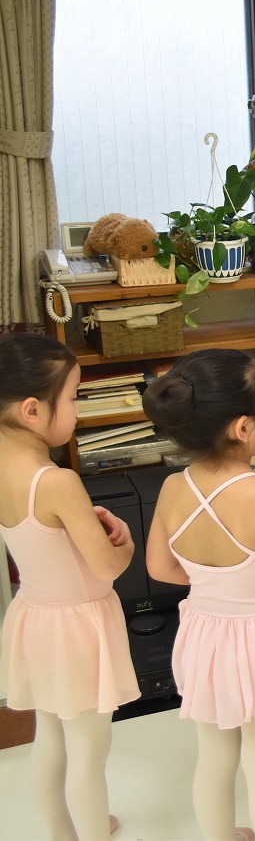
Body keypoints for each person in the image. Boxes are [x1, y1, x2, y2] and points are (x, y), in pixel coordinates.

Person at [143, 349, 255, 841]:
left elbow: (160, 567)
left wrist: (215, 583)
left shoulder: (172, 487)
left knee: (214, 756)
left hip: (204, 638)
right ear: (243, 428)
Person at [0, 333, 138, 841]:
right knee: (88, 751)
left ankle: (62, 832)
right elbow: (107, 567)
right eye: (75, 397)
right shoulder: (56, 481)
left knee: (50, 737)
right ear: (32, 410)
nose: (78, 410)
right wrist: (124, 541)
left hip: (34, 617)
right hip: (77, 629)